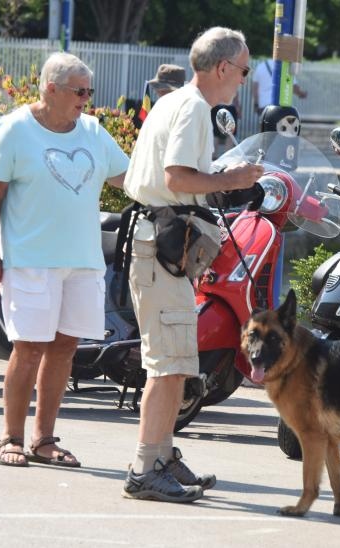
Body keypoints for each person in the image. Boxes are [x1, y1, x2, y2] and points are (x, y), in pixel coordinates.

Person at [121, 26, 263, 502]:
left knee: (175, 361)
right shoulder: (196, 108)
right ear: (223, 67)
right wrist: (233, 178)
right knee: (168, 365)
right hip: (163, 243)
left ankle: (160, 455)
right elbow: (177, 176)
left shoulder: (173, 100)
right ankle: (146, 468)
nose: (243, 79)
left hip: (159, 241)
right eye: (243, 70)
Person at [0, 52, 129, 468]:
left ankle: (43, 439)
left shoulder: (95, 133)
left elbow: (129, 178)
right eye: (80, 91)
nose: (87, 99)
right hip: (30, 261)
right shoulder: (16, 130)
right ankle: (9, 437)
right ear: (51, 88)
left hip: (82, 262)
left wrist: (178, 180)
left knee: (64, 349)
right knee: (28, 349)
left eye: (90, 91)